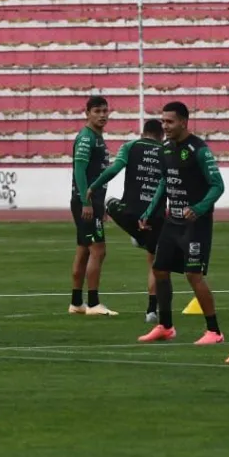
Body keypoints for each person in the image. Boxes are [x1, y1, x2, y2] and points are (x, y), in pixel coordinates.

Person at [138, 101, 225, 345]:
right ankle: (165, 326)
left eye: (170, 121)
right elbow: (165, 183)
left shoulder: (200, 150)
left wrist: (198, 208)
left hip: (195, 224)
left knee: (193, 274)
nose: (164, 126)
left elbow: (218, 185)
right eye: (163, 121)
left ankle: (214, 331)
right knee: (159, 269)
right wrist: (149, 210)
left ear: (184, 122)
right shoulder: (165, 150)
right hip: (172, 221)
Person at [87, 119, 166, 323]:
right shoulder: (167, 151)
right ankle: (151, 311)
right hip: (155, 216)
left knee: (110, 202)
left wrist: (94, 186)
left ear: (143, 133)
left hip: (129, 213)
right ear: (162, 136)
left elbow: (114, 170)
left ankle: (136, 235)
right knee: (154, 264)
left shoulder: (130, 146)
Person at [69, 95, 117, 316]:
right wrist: (86, 202)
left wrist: (99, 205)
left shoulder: (97, 137)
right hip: (86, 203)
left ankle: (76, 302)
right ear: (87, 113)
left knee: (83, 251)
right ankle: (94, 303)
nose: (102, 115)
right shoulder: (87, 138)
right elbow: (79, 170)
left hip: (92, 202)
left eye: (105, 111)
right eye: (97, 111)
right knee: (99, 250)